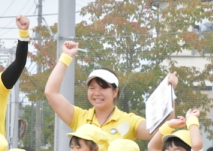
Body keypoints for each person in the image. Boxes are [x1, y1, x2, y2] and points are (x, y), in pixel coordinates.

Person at [44, 41, 178, 141]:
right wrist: (66, 56)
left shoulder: (129, 120)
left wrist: (170, 92)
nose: (97, 93)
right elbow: (51, 92)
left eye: (103, 87)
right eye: (92, 88)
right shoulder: (79, 117)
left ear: (115, 92)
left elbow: (160, 131)